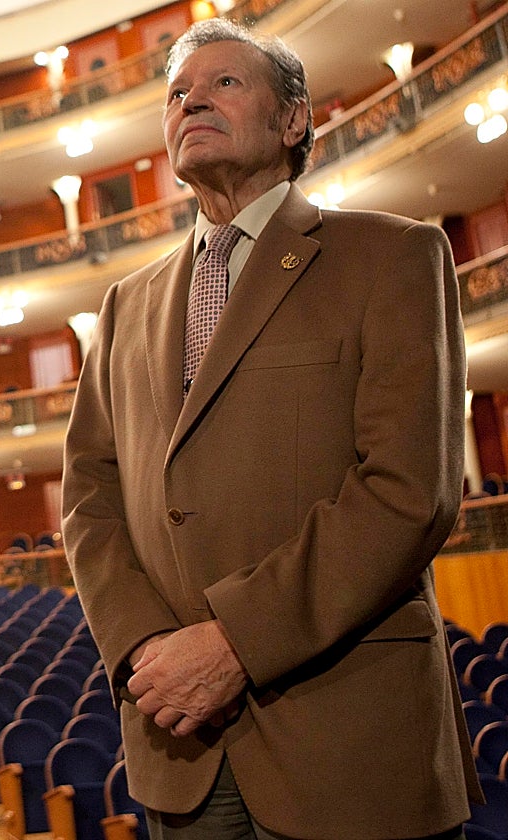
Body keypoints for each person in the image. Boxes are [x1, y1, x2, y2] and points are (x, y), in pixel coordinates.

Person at [61, 17, 480, 840]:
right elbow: (89, 500)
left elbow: (408, 491)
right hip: (180, 744)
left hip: (349, 735)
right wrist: (148, 649)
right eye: (177, 93)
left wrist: (236, 643)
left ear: (294, 121)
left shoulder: (391, 257)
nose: (190, 101)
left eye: (223, 83)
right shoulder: (125, 305)